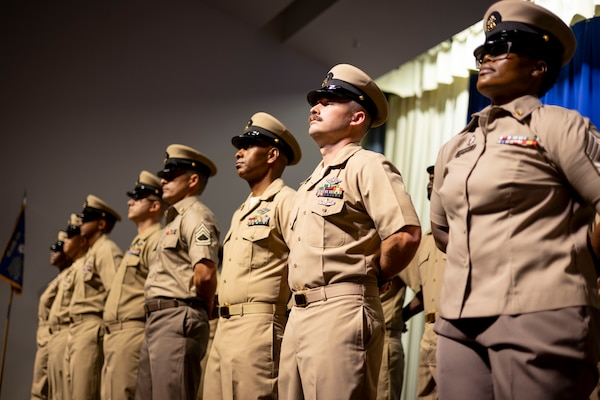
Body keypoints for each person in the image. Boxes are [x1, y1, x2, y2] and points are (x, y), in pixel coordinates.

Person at [430, 1, 600, 398]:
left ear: (538, 66)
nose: (486, 57)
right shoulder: (457, 146)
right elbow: (442, 230)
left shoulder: (558, 126)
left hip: (540, 311)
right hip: (459, 320)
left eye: (501, 48)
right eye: (482, 52)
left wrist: (582, 257)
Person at [278, 63, 422, 400]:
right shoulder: (310, 183)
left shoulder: (367, 165)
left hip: (340, 311)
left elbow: (404, 235)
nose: (316, 108)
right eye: (317, 102)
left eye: (329, 102)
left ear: (357, 118)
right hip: (298, 314)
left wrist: (376, 274)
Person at [203, 111, 302, 399]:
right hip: (225, 327)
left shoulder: (287, 202)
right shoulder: (242, 211)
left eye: (248, 147)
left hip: (258, 329)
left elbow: (303, 262)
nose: (239, 153)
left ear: (272, 154)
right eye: (239, 147)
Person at [136, 144, 220, 400]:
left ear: (192, 180)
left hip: (177, 316)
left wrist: (203, 306)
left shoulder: (196, 216)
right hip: (158, 319)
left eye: (171, 175)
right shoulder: (173, 221)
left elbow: (205, 273)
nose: (163, 180)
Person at [101, 171, 165, 400]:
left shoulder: (157, 239)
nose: (130, 201)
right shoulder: (137, 242)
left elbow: (158, 289)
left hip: (133, 331)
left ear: (155, 206)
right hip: (115, 334)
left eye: (138, 197)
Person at [65, 195, 123, 400]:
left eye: (87, 218)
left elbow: (115, 292)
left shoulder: (106, 249)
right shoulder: (90, 254)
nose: (81, 222)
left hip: (91, 327)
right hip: (77, 328)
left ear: (101, 223)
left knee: (84, 393)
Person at [402, 165, 446, 400]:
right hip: (429, 332)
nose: (431, 182)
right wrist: (403, 315)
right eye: (429, 178)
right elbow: (423, 290)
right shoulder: (427, 239)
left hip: (454, 330)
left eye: (437, 178)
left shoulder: (466, 234)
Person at [47, 214, 88, 400]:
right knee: (56, 393)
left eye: (72, 236)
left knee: (71, 392)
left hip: (72, 332)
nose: (61, 247)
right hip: (57, 336)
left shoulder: (85, 265)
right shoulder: (66, 275)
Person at [31, 230, 72, 400]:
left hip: (55, 339)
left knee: (55, 392)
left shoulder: (69, 277)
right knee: (40, 391)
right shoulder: (58, 280)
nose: (53, 251)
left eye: (58, 248)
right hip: (45, 342)